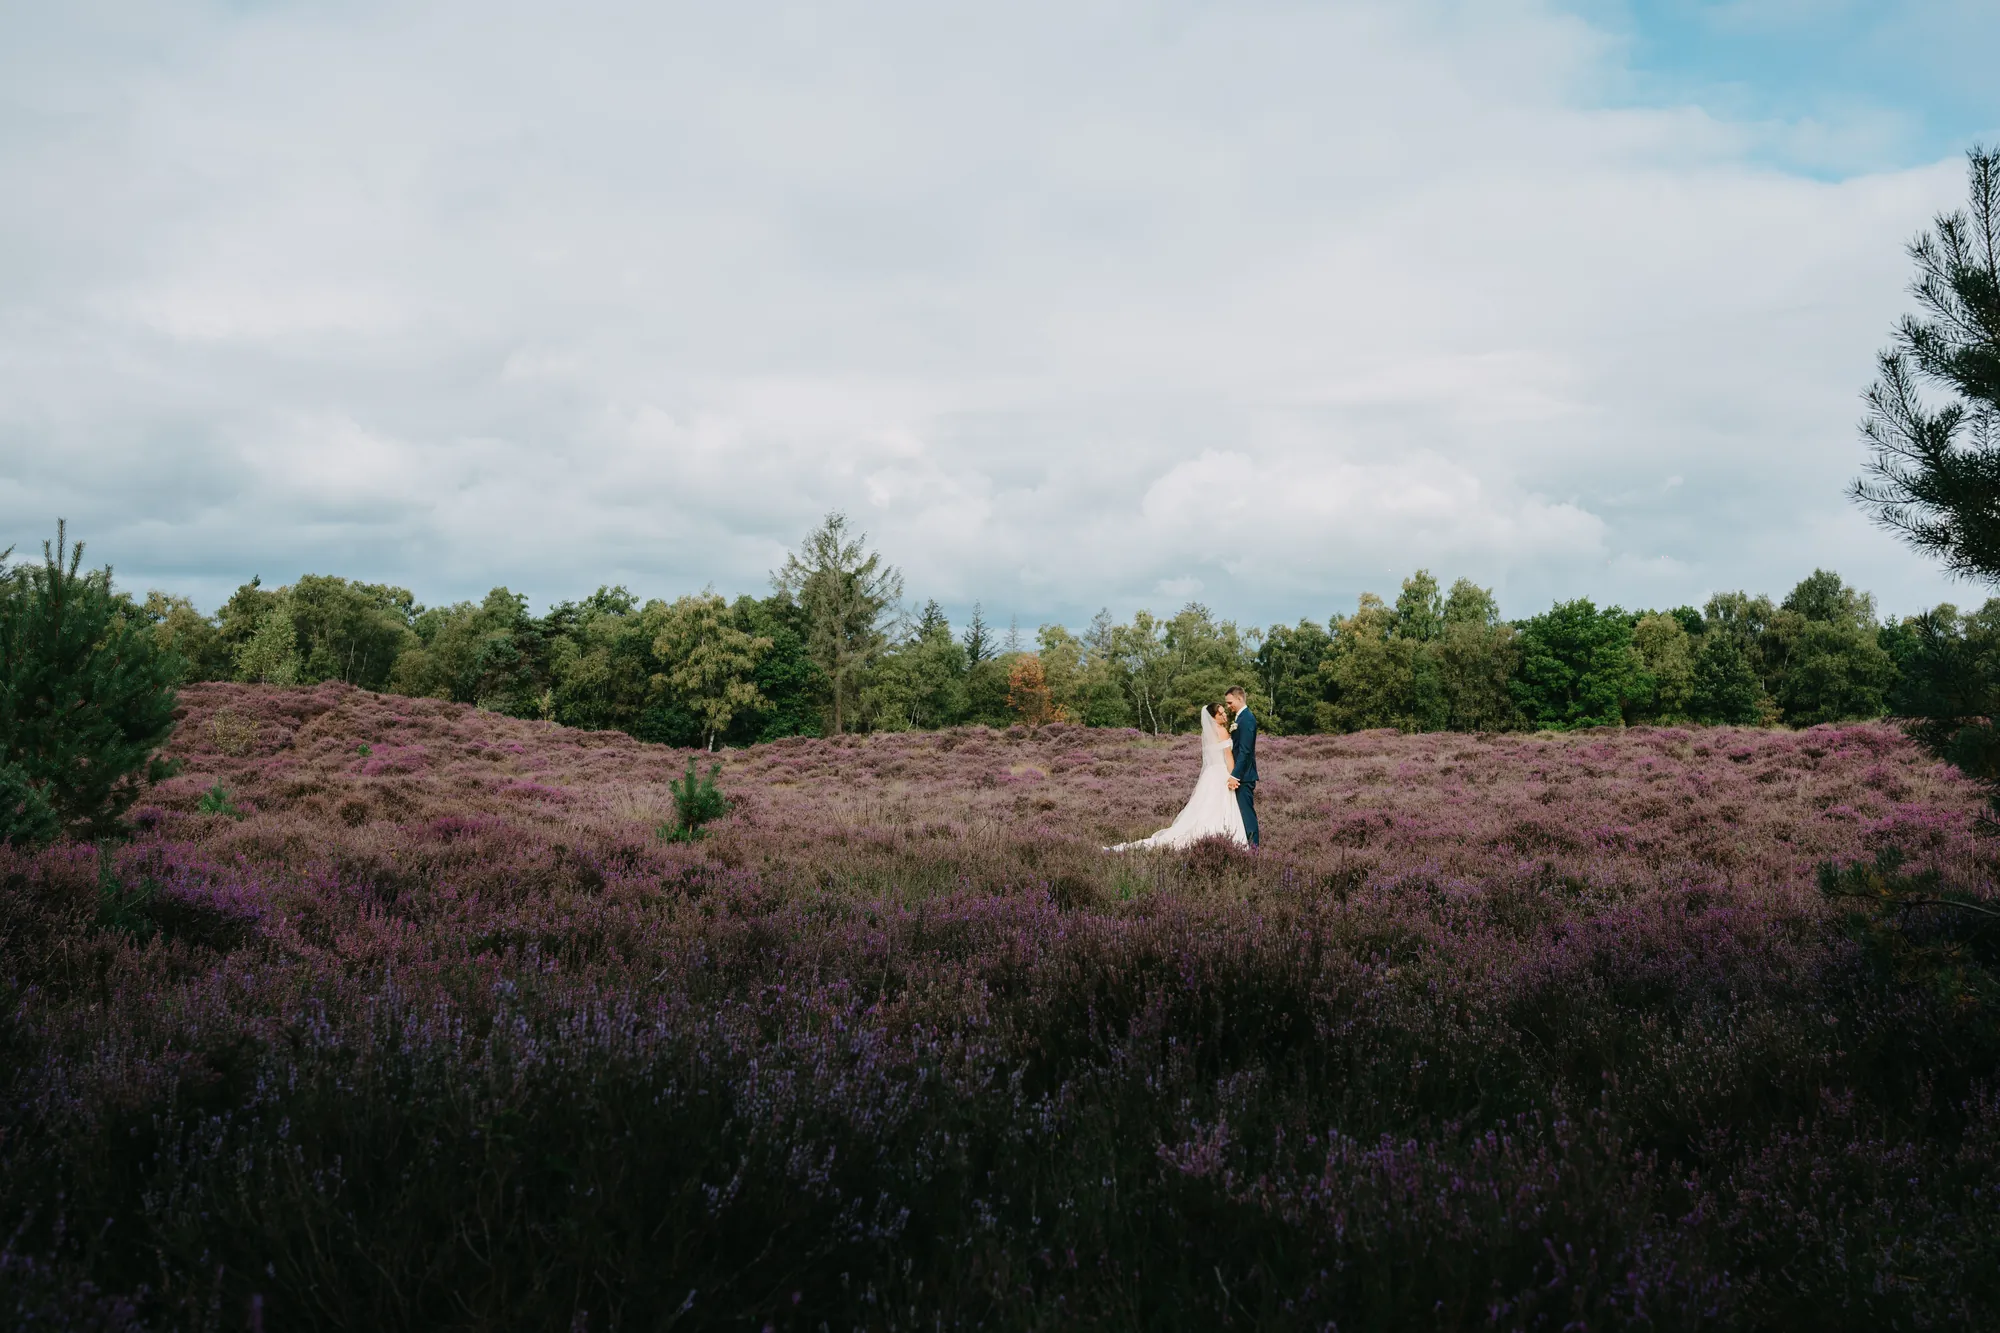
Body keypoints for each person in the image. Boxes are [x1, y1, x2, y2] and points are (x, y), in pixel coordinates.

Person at [1106, 702, 1248, 850]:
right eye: (1220, 713)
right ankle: (1220, 841)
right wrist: (1233, 777)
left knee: (1206, 807)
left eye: (1224, 712)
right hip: (1221, 774)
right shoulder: (1222, 731)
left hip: (1210, 775)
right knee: (1220, 807)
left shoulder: (1207, 733)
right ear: (1213, 717)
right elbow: (1228, 757)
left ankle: (1211, 839)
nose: (1224, 715)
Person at [1224, 685, 1259, 847]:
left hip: (1244, 777)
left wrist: (1234, 775)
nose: (1228, 706)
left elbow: (1245, 751)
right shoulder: (1239, 718)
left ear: (1239, 698)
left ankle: (1253, 849)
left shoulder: (1247, 719)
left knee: (1247, 815)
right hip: (1240, 775)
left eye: (1230, 702)